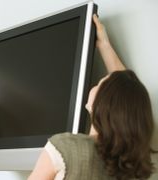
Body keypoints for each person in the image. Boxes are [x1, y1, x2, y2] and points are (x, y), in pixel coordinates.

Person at [28, 15, 155, 180]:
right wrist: (104, 45)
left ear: (103, 103)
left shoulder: (66, 147)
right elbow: (127, 95)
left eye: (101, 83)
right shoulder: (134, 165)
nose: (95, 85)